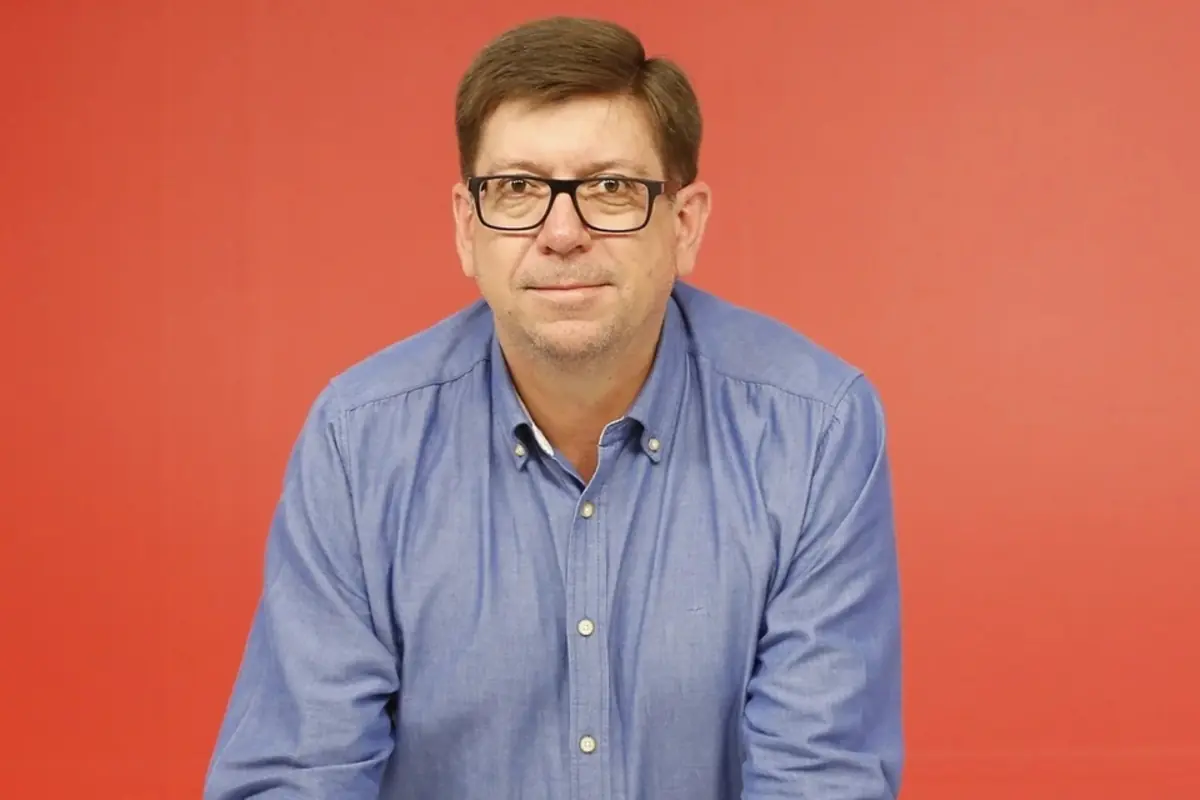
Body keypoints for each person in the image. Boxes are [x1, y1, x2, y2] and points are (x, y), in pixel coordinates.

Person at [203, 15, 903, 800]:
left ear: (684, 224)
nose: (561, 233)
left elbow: (819, 779)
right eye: (517, 189)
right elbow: (299, 775)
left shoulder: (816, 430)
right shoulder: (358, 442)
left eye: (610, 188)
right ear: (466, 228)